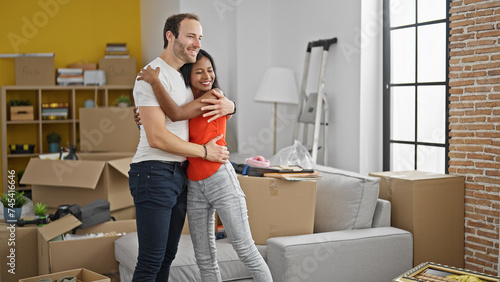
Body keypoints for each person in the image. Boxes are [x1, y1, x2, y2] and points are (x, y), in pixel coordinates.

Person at [136, 49, 273, 282]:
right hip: (194, 184)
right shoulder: (189, 102)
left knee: (245, 248)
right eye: (198, 71)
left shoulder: (215, 96)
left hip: (220, 178)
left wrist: (155, 82)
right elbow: (169, 123)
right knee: (204, 258)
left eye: (209, 70)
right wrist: (143, 115)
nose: (206, 76)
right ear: (187, 77)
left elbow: (175, 113)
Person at [129, 13, 235, 282]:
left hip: (179, 174)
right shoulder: (149, 76)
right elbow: (157, 138)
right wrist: (205, 152)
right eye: (190, 36)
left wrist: (232, 107)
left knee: (166, 257)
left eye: (199, 38)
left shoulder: (181, 78)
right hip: (154, 172)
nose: (196, 43)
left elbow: (179, 116)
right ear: (170, 36)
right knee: (151, 261)